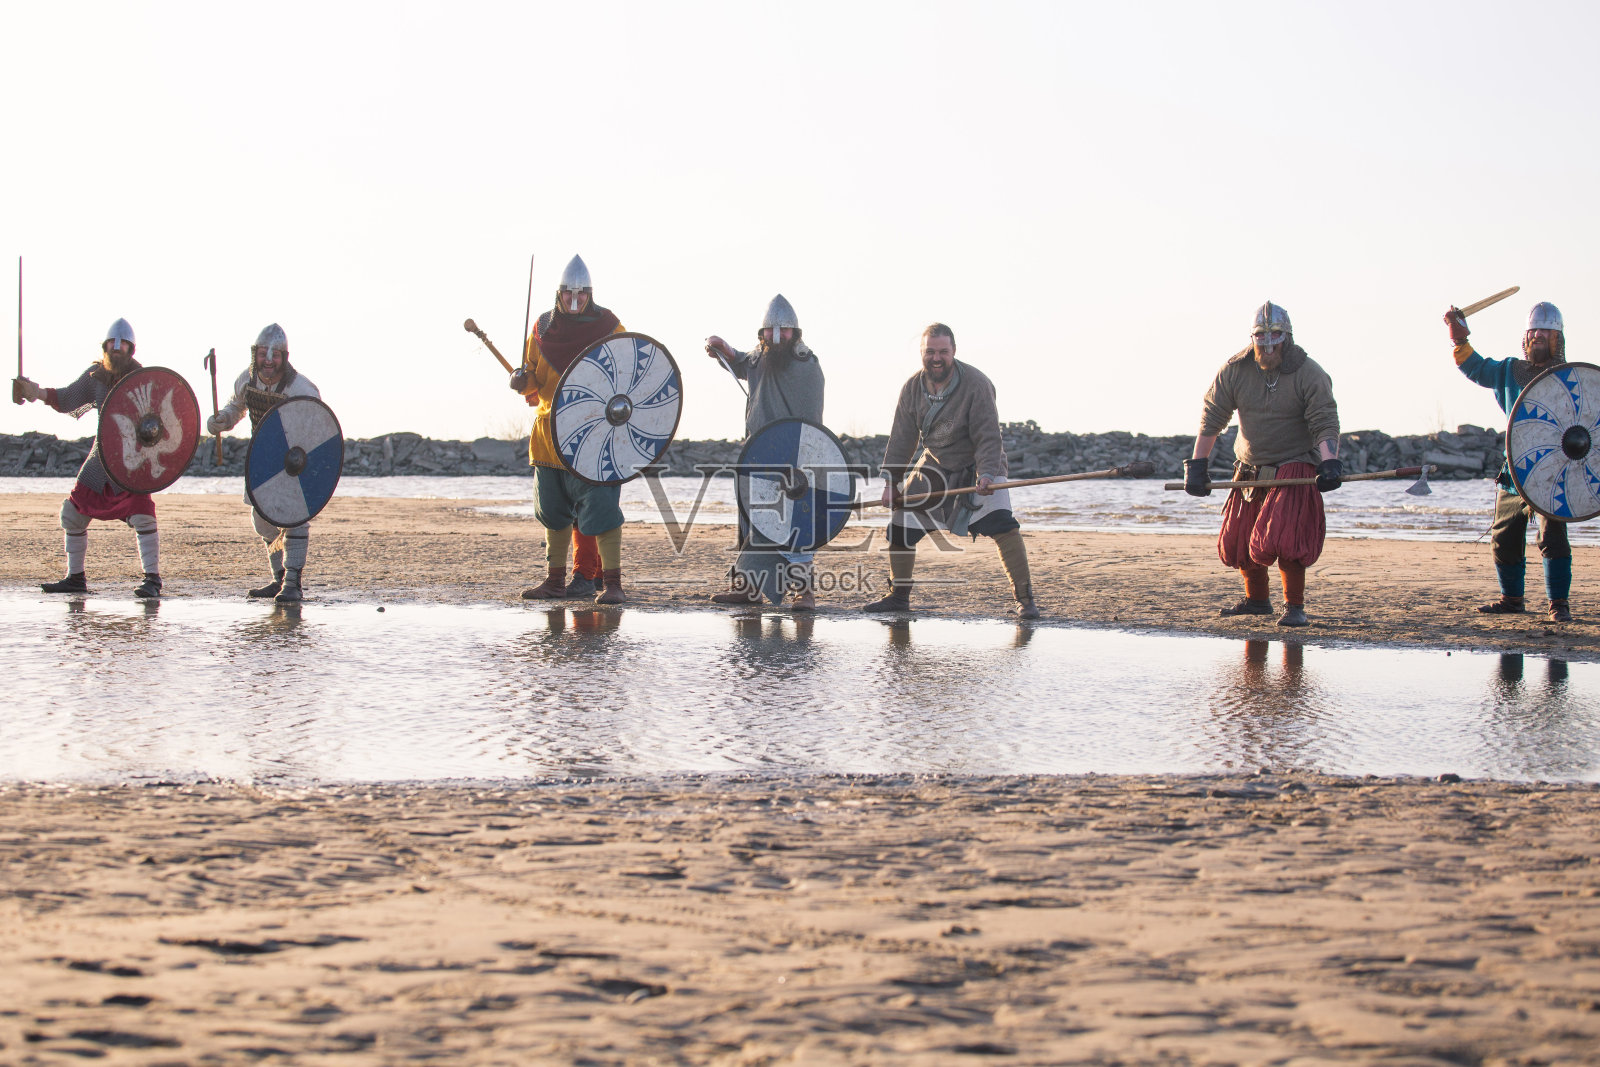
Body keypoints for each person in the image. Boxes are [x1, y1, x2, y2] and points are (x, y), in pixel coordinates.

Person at [861, 323, 1039, 618]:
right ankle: (899, 597)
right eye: (930, 351)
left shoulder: (977, 384)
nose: (936, 358)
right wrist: (891, 482)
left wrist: (987, 474)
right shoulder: (911, 388)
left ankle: (1026, 600)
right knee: (900, 527)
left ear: (953, 352)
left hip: (980, 466)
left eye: (943, 351)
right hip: (935, 465)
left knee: (1004, 527)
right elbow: (902, 439)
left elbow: (988, 436)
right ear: (922, 353)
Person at [1184, 301, 1342, 627]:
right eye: (1261, 336)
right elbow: (1213, 417)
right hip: (1249, 464)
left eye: (1275, 336)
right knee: (1240, 538)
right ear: (1252, 337)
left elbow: (1324, 422)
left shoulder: (1310, 373)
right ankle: (1257, 601)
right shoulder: (1235, 370)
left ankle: (1294, 606)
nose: (1267, 344)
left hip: (1295, 463)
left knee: (1286, 537)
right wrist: (1198, 464)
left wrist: (1330, 463)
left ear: (1287, 337)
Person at [510, 254, 629, 604]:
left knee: (601, 507)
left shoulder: (609, 328)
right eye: (568, 295)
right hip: (548, 434)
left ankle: (613, 584)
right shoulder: (542, 327)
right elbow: (532, 375)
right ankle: (554, 581)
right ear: (559, 294)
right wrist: (521, 380)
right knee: (554, 509)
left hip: (594, 434)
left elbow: (628, 374)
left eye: (581, 295)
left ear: (590, 294)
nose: (574, 302)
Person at [13, 319, 163, 597]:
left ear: (131, 350)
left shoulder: (143, 379)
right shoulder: (96, 376)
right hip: (100, 458)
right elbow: (68, 398)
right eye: (111, 346)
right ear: (105, 347)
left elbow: (160, 423)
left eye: (122, 347)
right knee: (72, 514)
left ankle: (152, 580)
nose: (116, 350)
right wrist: (36, 393)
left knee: (143, 516)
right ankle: (75, 578)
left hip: (132, 462)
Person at [1444, 301, 1574, 621]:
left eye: (1546, 331)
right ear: (1525, 337)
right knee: (1503, 537)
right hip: (1515, 469)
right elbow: (1477, 367)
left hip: (1553, 473)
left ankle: (1559, 604)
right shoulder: (1510, 371)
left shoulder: (1571, 380)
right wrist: (1459, 339)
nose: (1538, 336)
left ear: (1558, 338)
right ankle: (1512, 599)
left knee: (1552, 538)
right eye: (1533, 331)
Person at [705, 294, 827, 608]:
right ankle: (748, 589)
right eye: (771, 331)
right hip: (758, 455)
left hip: (795, 458)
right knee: (752, 521)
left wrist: (805, 460)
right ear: (762, 334)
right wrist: (723, 349)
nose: (777, 336)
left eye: (784, 330)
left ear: (795, 333)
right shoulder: (759, 359)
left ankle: (804, 590)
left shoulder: (807, 366)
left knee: (794, 525)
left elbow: (811, 424)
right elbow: (741, 361)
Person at [207, 324, 322, 603]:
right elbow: (237, 406)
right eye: (262, 354)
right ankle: (279, 579)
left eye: (274, 355)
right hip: (262, 459)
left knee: (294, 520)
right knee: (262, 520)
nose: (268, 360)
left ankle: (293, 583)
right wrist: (223, 419)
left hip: (296, 462)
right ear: (254, 354)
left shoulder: (301, 388)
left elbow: (318, 425)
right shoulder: (246, 380)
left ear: (285, 357)